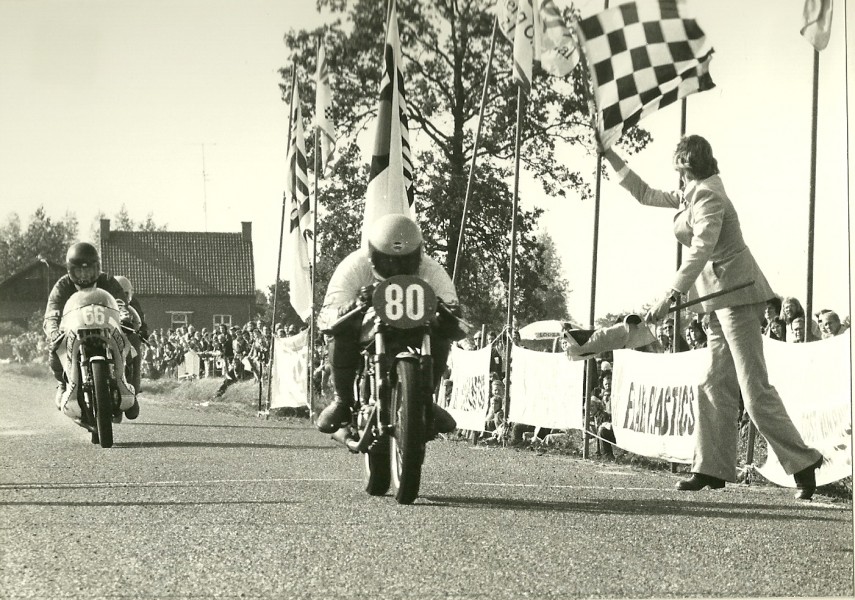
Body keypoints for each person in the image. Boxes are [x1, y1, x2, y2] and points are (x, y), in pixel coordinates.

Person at [603, 135, 822, 499]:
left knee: (753, 392)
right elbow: (643, 193)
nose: (676, 179)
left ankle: (804, 463)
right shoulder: (691, 193)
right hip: (718, 301)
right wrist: (610, 155)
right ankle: (711, 468)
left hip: (737, 297)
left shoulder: (708, 195)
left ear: (689, 167)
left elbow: (701, 248)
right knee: (711, 383)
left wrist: (671, 294)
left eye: (679, 171)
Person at [315, 213, 459, 435]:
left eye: (404, 260)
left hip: (414, 329)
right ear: (373, 254)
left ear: (418, 254)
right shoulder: (354, 266)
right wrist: (356, 304)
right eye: (388, 260)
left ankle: (424, 400)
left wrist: (442, 309)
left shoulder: (432, 269)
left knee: (440, 332)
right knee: (340, 332)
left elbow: (455, 317)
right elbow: (327, 316)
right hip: (365, 330)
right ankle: (342, 401)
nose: (396, 267)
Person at [43, 242, 139, 424]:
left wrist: (125, 317)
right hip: (74, 333)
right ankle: (63, 384)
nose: (85, 275)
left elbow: (120, 302)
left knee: (131, 341)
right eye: (80, 271)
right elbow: (52, 312)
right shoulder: (62, 286)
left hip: (106, 328)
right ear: (71, 271)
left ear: (97, 268)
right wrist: (53, 331)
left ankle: (128, 384)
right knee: (54, 348)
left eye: (89, 270)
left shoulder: (107, 281)